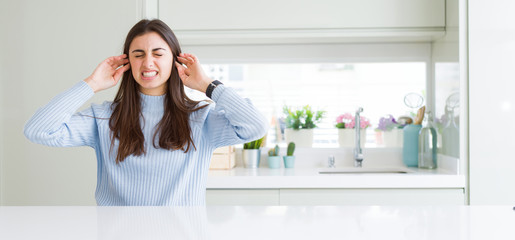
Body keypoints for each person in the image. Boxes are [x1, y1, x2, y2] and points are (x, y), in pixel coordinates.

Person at [23, 19, 268, 206]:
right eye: (138, 55)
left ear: (175, 60)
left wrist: (208, 85)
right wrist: (91, 84)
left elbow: (255, 127)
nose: (148, 63)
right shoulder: (104, 118)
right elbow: (38, 130)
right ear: (127, 62)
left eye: (158, 54)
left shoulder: (201, 118)